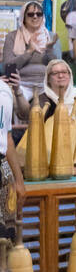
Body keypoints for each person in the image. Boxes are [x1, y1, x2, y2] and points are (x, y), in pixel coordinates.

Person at [2, 1, 59, 101]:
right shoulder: (12, 36)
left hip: (45, 85)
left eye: (39, 14)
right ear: (23, 17)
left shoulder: (51, 37)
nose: (35, 17)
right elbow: (8, 66)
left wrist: (49, 50)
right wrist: (29, 51)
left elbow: (57, 67)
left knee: (40, 107)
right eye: (30, 14)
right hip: (20, 84)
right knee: (13, 103)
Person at [0, 72, 26, 238]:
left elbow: (7, 137)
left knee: (6, 238)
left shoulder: (4, 90)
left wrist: (19, 181)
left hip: (2, 167)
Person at [34, 59, 76, 124]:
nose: (60, 76)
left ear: (69, 76)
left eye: (64, 72)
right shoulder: (42, 99)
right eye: (55, 73)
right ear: (48, 79)